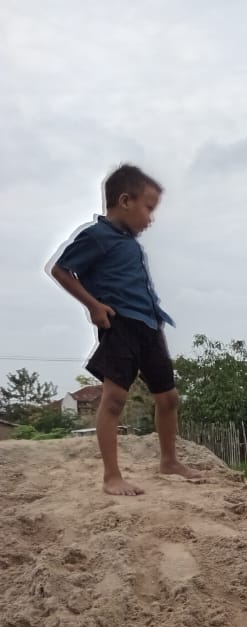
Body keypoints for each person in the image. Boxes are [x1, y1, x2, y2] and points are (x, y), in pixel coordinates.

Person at [48, 164, 200, 495]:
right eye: (148, 208)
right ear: (125, 201)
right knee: (115, 397)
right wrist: (93, 305)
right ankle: (111, 476)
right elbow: (60, 270)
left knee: (169, 397)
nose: (151, 218)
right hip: (120, 325)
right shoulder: (97, 236)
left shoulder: (129, 243)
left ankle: (170, 461)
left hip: (149, 324)